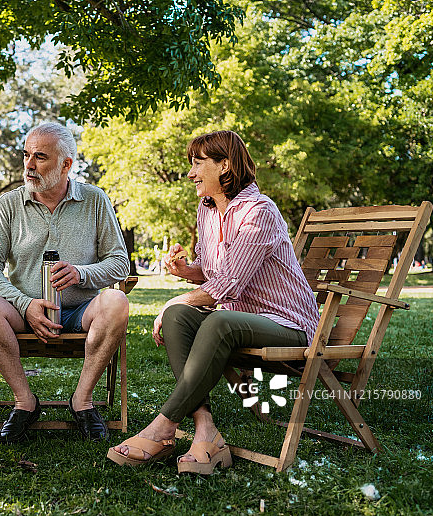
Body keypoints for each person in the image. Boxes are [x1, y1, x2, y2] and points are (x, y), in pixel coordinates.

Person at [108, 131, 319, 474]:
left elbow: (231, 281)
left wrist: (174, 298)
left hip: (289, 325)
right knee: (179, 315)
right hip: (242, 321)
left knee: (216, 320)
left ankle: (162, 427)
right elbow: (211, 271)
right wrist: (185, 270)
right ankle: (206, 430)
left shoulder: (258, 211)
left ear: (225, 165)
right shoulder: (206, 210)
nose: (190, 173)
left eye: (197, 164)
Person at [0, 122, 131, 443]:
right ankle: (25, 402)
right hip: (21, 311)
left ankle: (82, 402)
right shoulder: (9, 204)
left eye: (40, 157)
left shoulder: (95, 200)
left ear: (66, 164)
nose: (29, 165)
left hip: (79, 311)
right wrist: (25, 305)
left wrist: (82, 273)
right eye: (26, 155)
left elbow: (119, 263)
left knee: (117, 301)